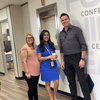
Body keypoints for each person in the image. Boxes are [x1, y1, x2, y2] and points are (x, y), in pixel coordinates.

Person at [59, 13, 91, 100]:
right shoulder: (61, 34)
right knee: (71, 81)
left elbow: (83, 45)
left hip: (77, 58)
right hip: (67, 59)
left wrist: (82, 59)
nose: (64, 21)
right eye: (62, 20)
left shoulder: (76, 30)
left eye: (65, 19)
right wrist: (62, 61)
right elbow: (61, 49)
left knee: (82, 81)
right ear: (61, 22)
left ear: (69, 19)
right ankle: (74, 98)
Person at [37, 30, 59, 100]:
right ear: (42, 37)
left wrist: (55, 56)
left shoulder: (51, 44)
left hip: (53, 65)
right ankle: (51, 98)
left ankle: (55, 96)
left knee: (56, 82)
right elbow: (39, 58)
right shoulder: (39, 46)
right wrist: (49, 57)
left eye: (47, 35)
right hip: (45, 66)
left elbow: (53, 53)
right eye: (44, 35)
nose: (46, 36)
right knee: (47, 83)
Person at [20, 33, 40, 100]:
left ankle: (36, 99)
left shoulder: (35, 47)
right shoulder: (24, 48)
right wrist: (27, 72)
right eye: (28, 38)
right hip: (29, 72)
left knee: (35, 87)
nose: (30, 39)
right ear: (26, 39)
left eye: (31, 37)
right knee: (31, 88)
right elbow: (24, 61)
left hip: (36, 71)